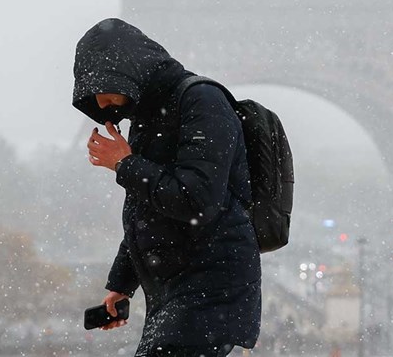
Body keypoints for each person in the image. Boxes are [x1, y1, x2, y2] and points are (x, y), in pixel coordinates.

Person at [72, 18, 261, 357]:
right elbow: (149, 212)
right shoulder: (150, 116)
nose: (101, 107)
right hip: (180, 292)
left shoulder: (202, 101)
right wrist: (122, 284)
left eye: (98, 89)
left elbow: (197, 202)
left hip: (207, 290)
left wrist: (124, 164)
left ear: (123, 73)